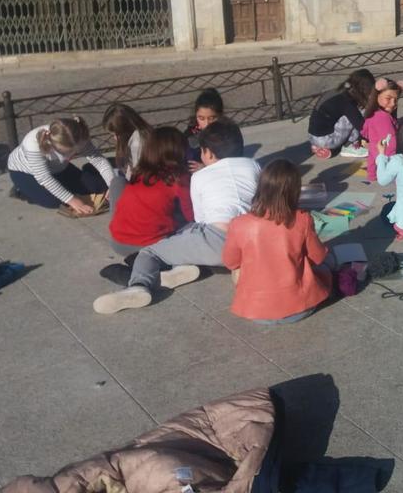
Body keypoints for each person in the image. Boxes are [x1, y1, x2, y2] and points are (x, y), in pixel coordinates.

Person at [93, 119, 260, 314]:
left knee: (151, 252)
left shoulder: (195, 176)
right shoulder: (254, 166)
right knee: (185, 231)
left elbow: (200, 219)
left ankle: (138, 284)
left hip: (215, 241)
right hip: (252, 238)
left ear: (208, 153)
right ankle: (219, 265)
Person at [222, 159, 332, 324]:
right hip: (301, 307)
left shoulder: (239, 224)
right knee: (328, 266)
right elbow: (318, 258)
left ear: (261, 187)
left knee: (239, 268)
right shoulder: (303, 219)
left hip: (256, 312)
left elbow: (230, 262)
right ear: (294, 191)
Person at [108, 127, 193, 254]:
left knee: (117, 182)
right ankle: (162, 262)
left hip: (118, 243)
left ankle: (138, 262)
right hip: (152, 245)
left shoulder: (140, 171)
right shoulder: (179, 178)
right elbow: (190, 215)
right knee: (194, 227)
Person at [7, 117, 112, 214]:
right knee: (54, 201)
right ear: (52, 143)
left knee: (97, 187)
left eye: (75, 152)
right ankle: (21, 190)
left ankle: (80, 178)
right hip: (25, 172)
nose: (69, 156)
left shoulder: (79, 137)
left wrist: (112, 184)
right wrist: (73, 201)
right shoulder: (33, 143)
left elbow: (99, 161)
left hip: (58, 168)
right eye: (64, 152)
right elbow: (44, 178)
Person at [307, 69, 374, 159]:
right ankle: (351, 146)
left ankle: (324, 147)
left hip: (314, 136)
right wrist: (375, 139)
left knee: (352, 113)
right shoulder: (346, 102)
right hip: (325, 139)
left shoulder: (337, 92)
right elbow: (362, 127)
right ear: (363, 89)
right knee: (359, 112)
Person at [102, 103, 152, 204]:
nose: (114, 138)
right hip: (133, 179)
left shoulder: (138, 143)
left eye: (115, 135)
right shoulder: (137, 136)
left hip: (142, 186)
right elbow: (129, 168)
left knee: (93, 180)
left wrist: (119, 189)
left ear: (124, 130)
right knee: (90, 169)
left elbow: (137, 175)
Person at [362, 77, 403, 184]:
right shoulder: (383, 117)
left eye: (396, 99)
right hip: (385, 154)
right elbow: (392, 143)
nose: (393, 103)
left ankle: (371, 175)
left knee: (371, 157)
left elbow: (365, 130)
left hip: (374, 148)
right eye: (388, 98)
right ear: (377, 95)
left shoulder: (373, 114)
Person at [185, 88, 224, 172]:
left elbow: (230, 162)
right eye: (201, 118)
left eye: (212, 118)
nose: (206, 124)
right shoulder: (191, 133)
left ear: (220, 115)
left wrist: (204, 168)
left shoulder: (227, 134)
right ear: (196, 115)